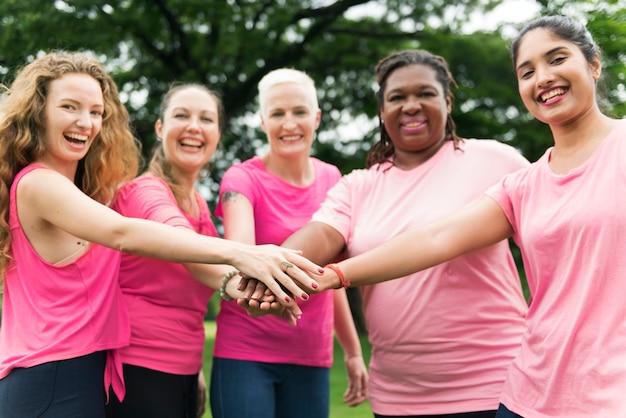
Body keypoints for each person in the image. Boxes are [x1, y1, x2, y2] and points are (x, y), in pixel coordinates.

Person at [311, 16, 626, 418]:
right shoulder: (522, 185)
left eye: (557, 59)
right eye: (527, 72)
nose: (542, 78)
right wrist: (334, 275)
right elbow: (435, 239)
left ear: (593, 63)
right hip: (526, 400)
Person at [0, 51, 321, 418]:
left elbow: (182, 274)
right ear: (37, 112)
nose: (85, 122)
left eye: (95, 111)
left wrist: (244, 290)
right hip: (48, 375)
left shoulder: (88, 198)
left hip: (82, 371)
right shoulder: (39, 183)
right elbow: (123, 232)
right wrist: (243, 254)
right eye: (69, 107)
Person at [276, 49, 530, 418]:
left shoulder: (496, 160)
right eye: (397, 97)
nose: (411, 105)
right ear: (382, 110)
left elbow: (551, 241)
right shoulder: (358, 186)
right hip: (398, 398)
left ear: (446, 100)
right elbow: (319, 235)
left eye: (425, 93)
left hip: (498, 386)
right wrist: (272, 269)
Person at [105, 83, 277, 418]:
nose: (194, 127)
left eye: (206, 119)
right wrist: (247, 277)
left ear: (218, 134)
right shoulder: (143, 192)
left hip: (183, 368)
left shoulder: (199, 204)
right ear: (160, 127)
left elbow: (188, 300)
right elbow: (184, 245)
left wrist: (194, 368)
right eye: (181, 116)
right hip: (138, 367)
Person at [210, 68, 368, 418]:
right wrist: (264, 300)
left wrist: (353, 352)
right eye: (277, 114)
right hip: (245, 353)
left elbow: (330, 275)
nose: (289, 124)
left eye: (299, 112)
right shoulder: (241, 179)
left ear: (317, 118)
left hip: (311, 354)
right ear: (263, 122)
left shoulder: (332, 178)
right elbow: (243, 259)